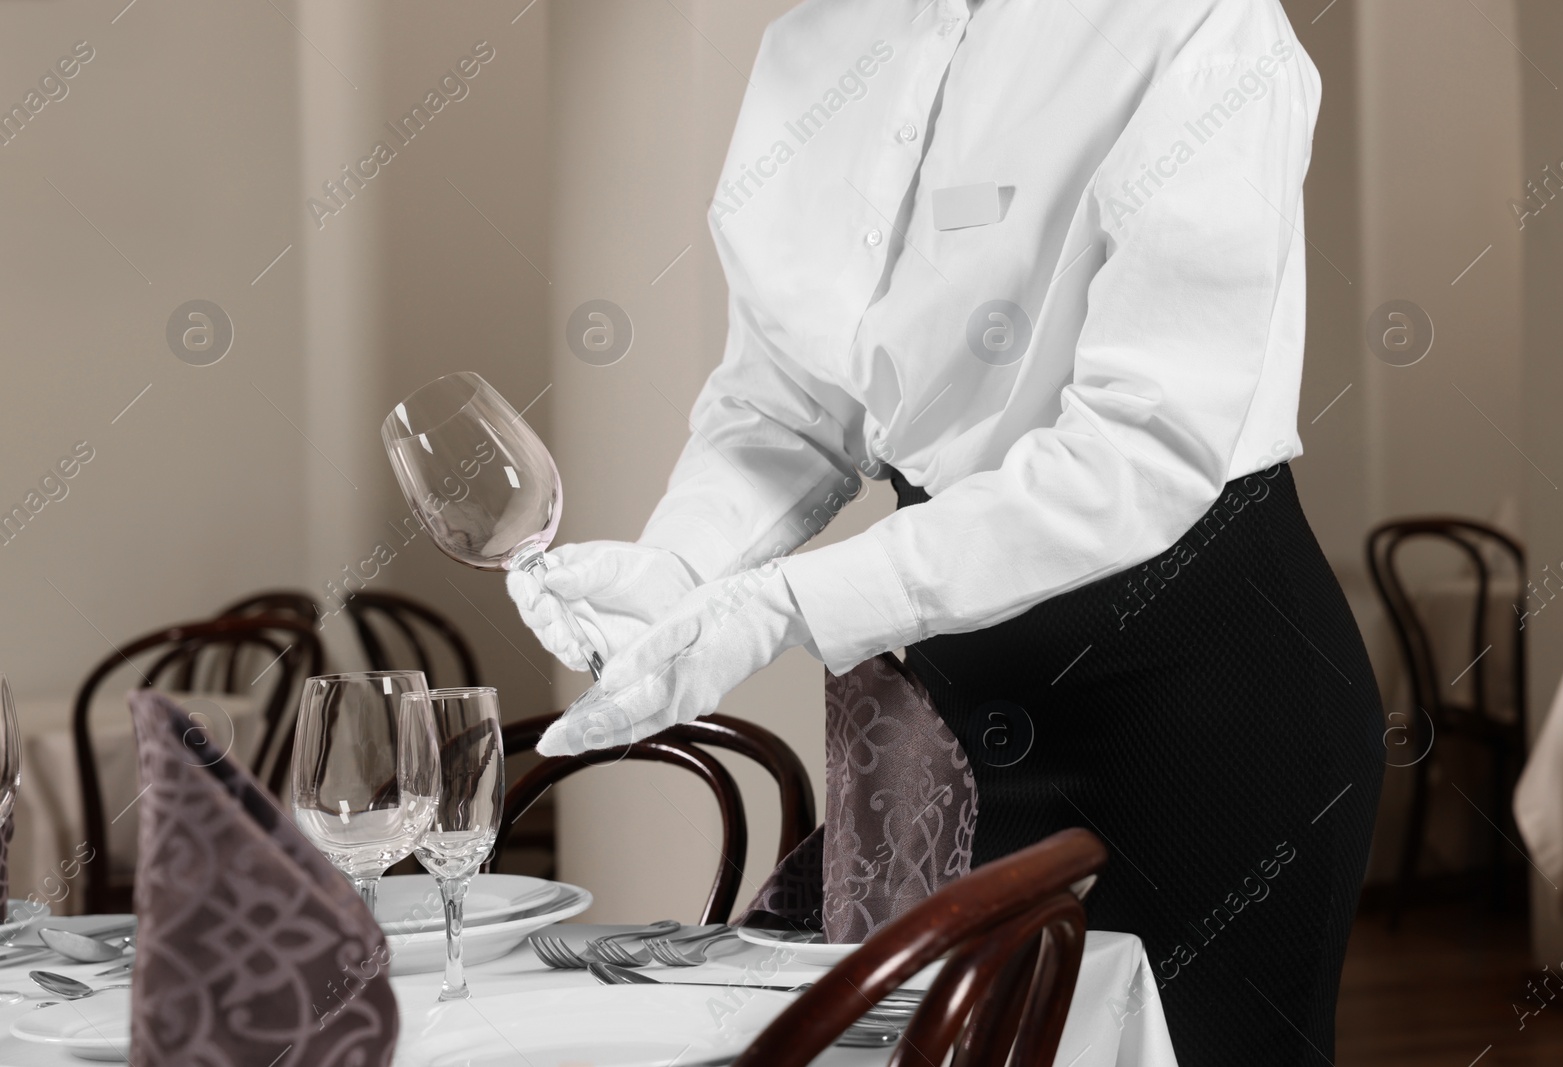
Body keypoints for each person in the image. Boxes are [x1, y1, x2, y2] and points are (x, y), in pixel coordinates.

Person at [508, 1, 1384, 1062]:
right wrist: (678, 570)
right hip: (958, 704)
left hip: (1199, 699)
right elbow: (785, 403)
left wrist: (782, 604)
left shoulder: (1196, 20)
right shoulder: (805, 47)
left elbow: (1138, 451)